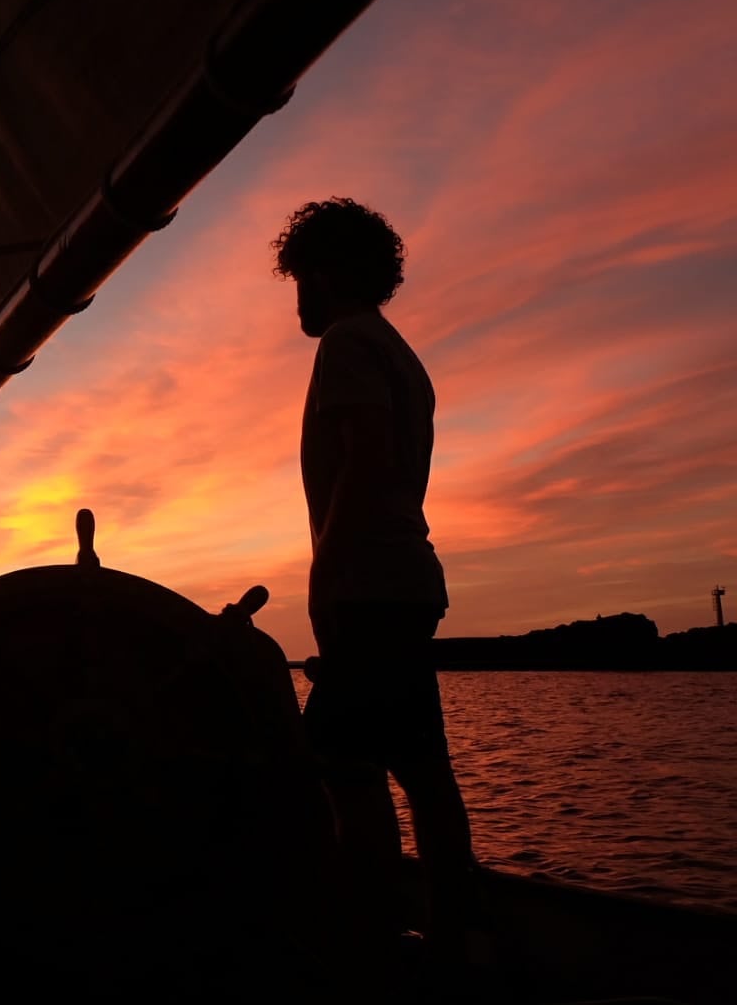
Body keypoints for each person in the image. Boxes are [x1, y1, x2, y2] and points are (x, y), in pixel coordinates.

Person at [271, 198, 475, 965]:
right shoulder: (397, 351)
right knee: (421, 767)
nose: (298, 298)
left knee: (336, 761)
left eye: (300, 280)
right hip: (406, 581)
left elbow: (365, 458)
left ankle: (375, 937)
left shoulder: (348, 345)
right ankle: (447, 935)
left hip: (368, 585)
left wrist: (328, 570)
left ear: (323, 275)